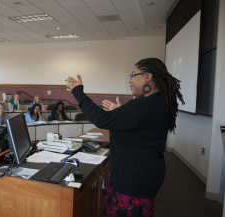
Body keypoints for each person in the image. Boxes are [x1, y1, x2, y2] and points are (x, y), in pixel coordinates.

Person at [64, 58, 184, 217]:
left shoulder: (142, 105)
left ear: (148, 77)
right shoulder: (158, 102)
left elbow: (101, 119)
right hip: (146, 175)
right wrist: (121, 113)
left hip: (133, 181)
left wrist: (78, 91)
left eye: (133, 75)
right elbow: (140, 129)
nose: (130, 79)